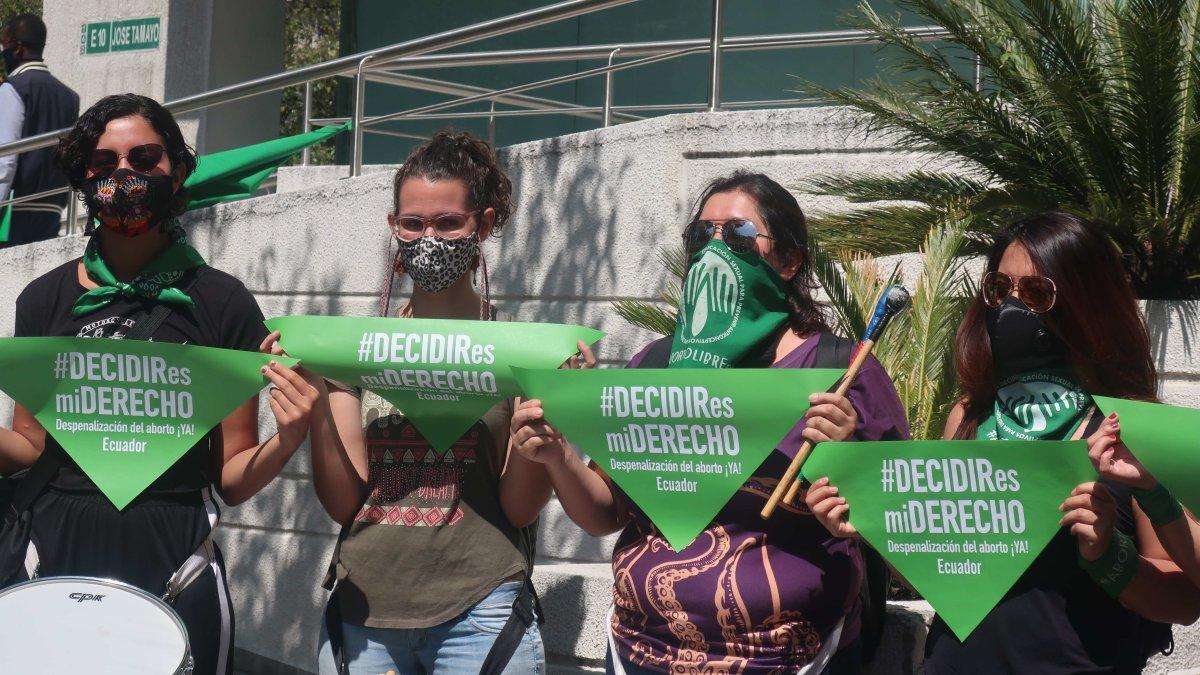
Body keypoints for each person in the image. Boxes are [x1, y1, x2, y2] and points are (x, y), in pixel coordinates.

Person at [511, 171, 910, 674]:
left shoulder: (841, 370)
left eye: (740, 234)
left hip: (792, 660)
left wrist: (848, 457)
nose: (715, 248)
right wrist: (557, 454)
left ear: (788, 260)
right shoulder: (654, 365)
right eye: (702, 235)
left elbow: (905, 526)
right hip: (641, 654)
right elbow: (607, 513)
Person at [0, 94, 314, 675]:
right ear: (82, 179)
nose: (123, 174)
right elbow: (29, 445)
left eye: (144, 158)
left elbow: (233, 477)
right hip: (55, 550)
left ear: (178, 169)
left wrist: (290, 438)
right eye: (102, 163)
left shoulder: (222, 302)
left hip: (177, 556)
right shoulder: (42, 299)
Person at [807, 212, 1200, 673]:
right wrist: (873, 521)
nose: (1012, 306)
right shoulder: (970, 415)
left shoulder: (1131, 426)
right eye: (999, 288)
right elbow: (940, 578)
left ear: (1086, 302)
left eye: (1037, 292)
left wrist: (1110, 555)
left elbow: (1183, 600)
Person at [263, 131, 566, 675]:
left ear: (486, 224)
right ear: (393, 227)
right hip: (363, 612)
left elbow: (520, 509)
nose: (429, 237)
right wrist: (314, 403)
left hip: (482, 610)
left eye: (449, 223)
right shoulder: (351, 352)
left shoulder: (523, 353)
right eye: (413, 223)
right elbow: (342, 503)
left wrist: (545, 420)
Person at [0, 12, 79, 246]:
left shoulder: (13, 89)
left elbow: (5, 158)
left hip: (14, 210)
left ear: (18, 49)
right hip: (52, 208)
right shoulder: (69, 96)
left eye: (5, 45)